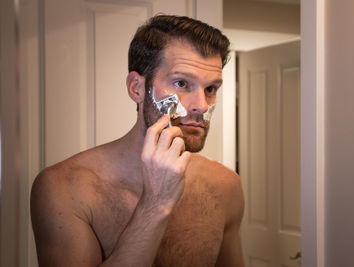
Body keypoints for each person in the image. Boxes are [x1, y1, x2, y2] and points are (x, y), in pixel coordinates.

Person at [31, 15, 245, 267]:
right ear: (136, 88)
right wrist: (156, 203)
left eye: (211, 89)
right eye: (181, 83)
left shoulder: (225, 185)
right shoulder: (64, 188)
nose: (201, 105)